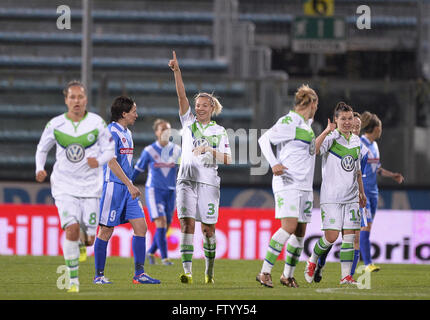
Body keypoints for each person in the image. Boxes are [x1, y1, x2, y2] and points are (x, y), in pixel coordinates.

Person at [35, 80, 115, 293]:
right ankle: (73, 281)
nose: (76, 101)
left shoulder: (97, 123)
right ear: (66, 100)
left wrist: (98, 161)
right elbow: (42, 148)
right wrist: (39, 168)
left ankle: (83, 241)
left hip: (91, 187)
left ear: (86, 99)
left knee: (89, 239)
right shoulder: (55, 125)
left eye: (80, 97)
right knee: (71, 228)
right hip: (64, 185)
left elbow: (110, 150)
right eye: (72, 97)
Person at [169, 51, 232, 284]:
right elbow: (181, 96)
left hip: (208, 183)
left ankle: (209, 271)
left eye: (204, 105)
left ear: (212, 108)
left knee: (208, 229)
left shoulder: (220, 131)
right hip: (185, 179)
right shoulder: (188, 122)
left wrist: (209, 150)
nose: (200, 108)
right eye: (197, 105)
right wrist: (177, 71)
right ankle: (187, 271)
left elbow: (227, 159)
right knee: (186, 223)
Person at [255, 84, 319, 288]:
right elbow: (264, 139)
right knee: (289, 227)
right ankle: (264, 272)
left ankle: (287, 275)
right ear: (313, 103)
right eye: (316, 104)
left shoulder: (305, 124)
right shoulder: (289, 121)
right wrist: (273, 163)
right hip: (288, 182)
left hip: (304, 186)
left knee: (300, 231)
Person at [93, 96, 160, 285]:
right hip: (113, 187)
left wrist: (129, 185)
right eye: (134, 111)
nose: (136, 115)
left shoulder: (127, 132)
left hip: (127, 188)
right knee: (106, 230)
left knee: (141, 227)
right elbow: (111, 162)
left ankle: (139, 274)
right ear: (124, 113)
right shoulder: (110, 132)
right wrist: (130, 184)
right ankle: (99, 276)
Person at [304, 102, 367, 285]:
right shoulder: (331, 137)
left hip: (352, 197)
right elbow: (314, 150)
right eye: (343, 119)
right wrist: (325, 132)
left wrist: (361, 193)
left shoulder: (356, 141)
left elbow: (356, 171)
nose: (347, 122)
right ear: (336, 120)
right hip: (331, 197)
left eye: (349, 119)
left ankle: (346, 276)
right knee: (331, 238)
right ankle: (312, 260)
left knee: (349, 237)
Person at [131, 118, 181, 266]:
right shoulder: (149, 151)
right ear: (156, 132)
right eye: (162, 129)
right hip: (155, 191)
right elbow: (138, 170)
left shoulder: (177, 150)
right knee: (161, 223)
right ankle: (165, 258)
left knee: (166, 225)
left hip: (171, 192)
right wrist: (128, 185)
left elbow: (185, 169)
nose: (166, 132)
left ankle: (151, 251)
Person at [359, 111, 404, 272]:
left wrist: (393, 175)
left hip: (374, 191)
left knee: (366, 227)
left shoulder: (375, 146)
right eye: (380, 127)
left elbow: (376, 169)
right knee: (365, 227)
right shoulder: (360, 144)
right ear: (375, 128)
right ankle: (367, 264)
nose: (381, 130)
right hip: (363, 191)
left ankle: (361, 260)